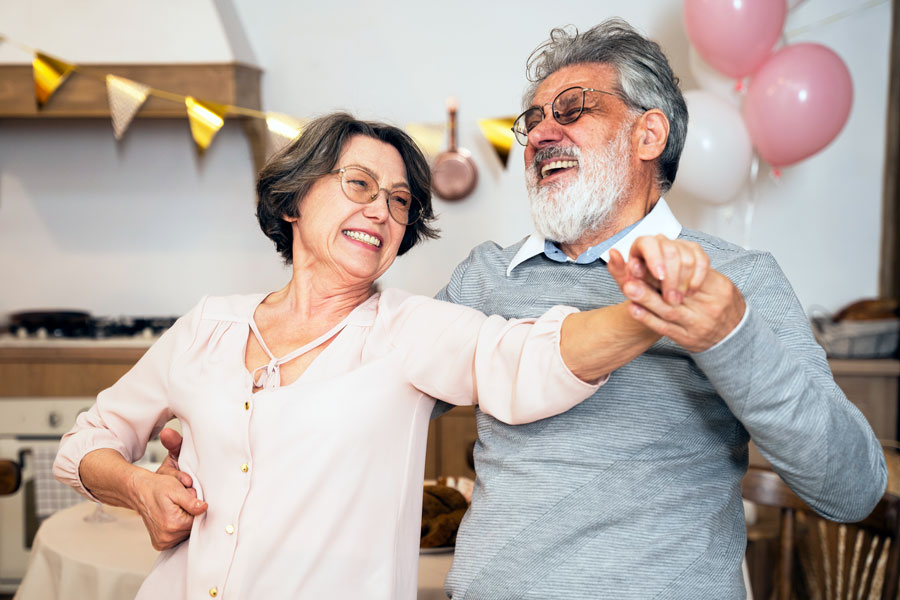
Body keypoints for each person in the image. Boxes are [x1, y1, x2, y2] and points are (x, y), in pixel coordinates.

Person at [52, 112, 706, 599]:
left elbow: (527, 359)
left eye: (400, 201)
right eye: (359, 184)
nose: (383, 211)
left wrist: (643, 312)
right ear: (294, 200)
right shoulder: (208, 325)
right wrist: (139, 487)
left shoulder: (409, 332)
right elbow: (88, 443)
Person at [429, 19, 887, 599]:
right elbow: (389, 393)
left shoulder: (737, 278)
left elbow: (851, 489)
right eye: (533, 120)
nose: (541, 133)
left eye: (572, 109)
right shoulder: (487, 275)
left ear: (648, 135)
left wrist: (729, 335)